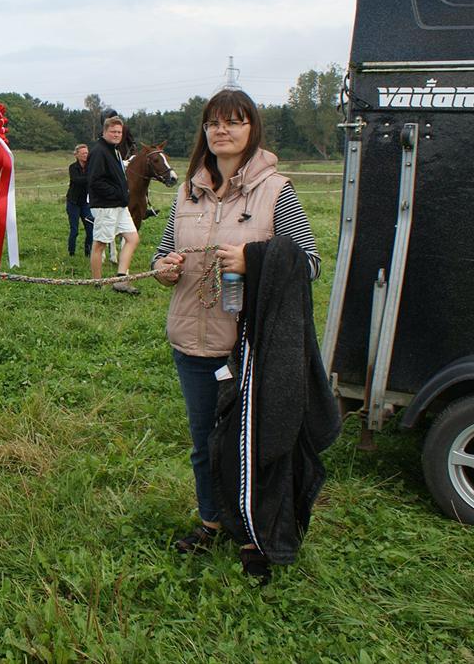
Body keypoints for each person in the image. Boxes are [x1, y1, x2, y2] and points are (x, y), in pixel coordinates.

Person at [150, 88, 321, 582]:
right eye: (213, 123)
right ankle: (210, 521)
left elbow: (308, 263)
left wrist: (254, 260)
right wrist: (164, 267)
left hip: (248, 345)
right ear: (204, 132)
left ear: (252, 130)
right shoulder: (187, 191)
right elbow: (162, 253)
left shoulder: (276, 190)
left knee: (250, 444)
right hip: (191, 340)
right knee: (205, 442)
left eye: (234, 122)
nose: (221, 130)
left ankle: (253, 534)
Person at [88, 115, 140, 294]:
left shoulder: (115, 151)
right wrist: (117, 193)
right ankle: (97, 284)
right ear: (104, 132)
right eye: (113, 131)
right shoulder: (98, 151)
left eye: (119, 132)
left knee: (132, 238)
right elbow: (95, 181)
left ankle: (120, 280)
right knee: (100, 244)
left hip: (120, 205)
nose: (117, 134)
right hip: (105, 206)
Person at [65, 144, 94, 256]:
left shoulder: (91, 167)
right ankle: (71, 252)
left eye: (87, 153)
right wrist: (91, 178)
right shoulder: (73, 167)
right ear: (76, 155)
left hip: (86, 203)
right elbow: (76, 180)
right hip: (73, 202)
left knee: (90, 229)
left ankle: (88, 252)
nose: (85, 155)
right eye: (83, 153)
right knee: (74, 230)